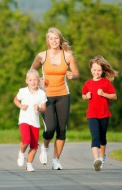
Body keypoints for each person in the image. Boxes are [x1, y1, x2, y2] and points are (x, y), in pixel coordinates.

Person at [31, 27, 79, 170]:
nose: (53, 41)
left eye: (56, 38)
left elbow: (76, 74)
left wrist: (73, 76)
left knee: (61, 130)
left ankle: (56, 160)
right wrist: (38, 80)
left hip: (63, 95)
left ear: (60, 40)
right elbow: (31, 73)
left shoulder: (68, 55)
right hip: (46, 96)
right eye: (50, 38)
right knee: (50, 128)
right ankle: (45, 147)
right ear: (48, 40)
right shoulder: (41, 56)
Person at [81, 55, 118, 171]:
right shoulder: (87, 84)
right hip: (92, 115)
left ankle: (102, 157)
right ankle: (96, 160)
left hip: (104, 114)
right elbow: (83, 95)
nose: (96, 72)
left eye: (99, 70)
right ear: (91, 70)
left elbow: (114, 96)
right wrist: (86, 96)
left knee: (102, 138)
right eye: (94, 70)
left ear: (102, 71)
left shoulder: (106, 83)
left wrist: (104, 94)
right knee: (95, 137)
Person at [14, 69, 47, 172]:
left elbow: (44, 108)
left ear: (38, 81)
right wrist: (20, 105)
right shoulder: (23, 91)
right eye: (30, 80)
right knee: (26, 140)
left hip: (35, 123)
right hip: (24, 120)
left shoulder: (41, 93)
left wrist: (39, 109)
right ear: (26, 81)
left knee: (34, 145)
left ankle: (29, 164)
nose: (33, 82)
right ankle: (21, 153)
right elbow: (15, 99)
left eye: (35, 79)